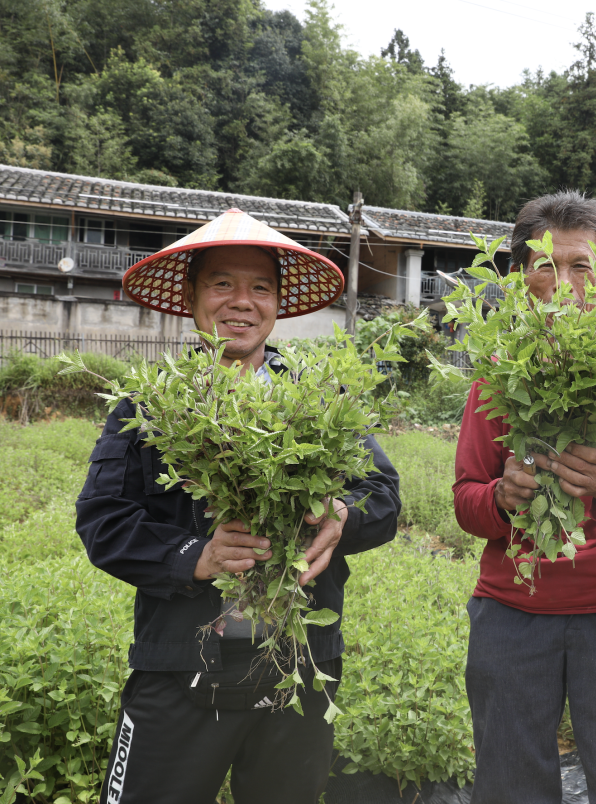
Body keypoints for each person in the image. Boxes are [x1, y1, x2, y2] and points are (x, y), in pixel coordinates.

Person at [77, 209, 401, 804]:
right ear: (192, 295)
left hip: (298, 663)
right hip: (179, 662)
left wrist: (342, 515)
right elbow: (103, 519)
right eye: (221, 283)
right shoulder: (147, 405)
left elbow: (383, 496)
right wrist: (195, 556)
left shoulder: (317, 398)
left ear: (277, 303)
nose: (241, 303)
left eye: (260, 287)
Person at [453, 191, 596, 804]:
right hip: (514, 611)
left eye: (582, 265)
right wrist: (502, 499)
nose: (565, 281)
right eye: (545, 265)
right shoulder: (497, 375)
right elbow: (465, 501)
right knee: (509, 786)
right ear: (519, 278)